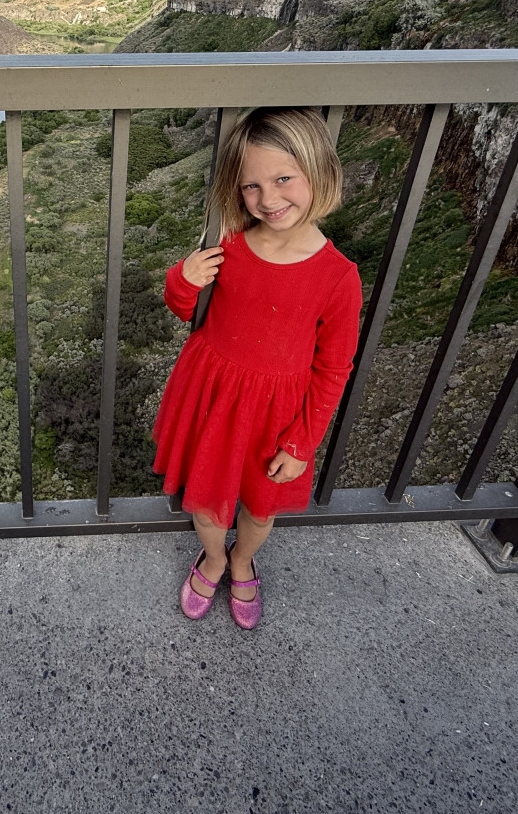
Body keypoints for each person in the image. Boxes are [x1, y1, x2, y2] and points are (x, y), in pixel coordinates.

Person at [152, 107, 362, 629]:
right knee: (206, 501)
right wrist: (183, 278)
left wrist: (301, 444)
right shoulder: (228, 243)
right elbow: (183, 306)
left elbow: (334, 368)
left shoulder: (339, 277)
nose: (268, 199)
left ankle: (242, 559)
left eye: (283, 179)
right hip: (212, 395)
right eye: (252, 186)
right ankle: (214, 559)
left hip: (276, 416)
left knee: (260, 507)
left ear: (319, 170)